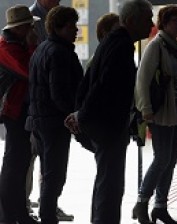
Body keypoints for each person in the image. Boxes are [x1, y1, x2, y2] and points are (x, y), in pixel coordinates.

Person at [64, 0, 154, 223]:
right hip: (109, 127)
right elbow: (102, 86)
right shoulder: (121, 45)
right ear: (132, 20)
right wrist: (82, 115)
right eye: (147, 18)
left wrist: (80, 113)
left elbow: (88, 83)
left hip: (105, 125)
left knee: (107, 182)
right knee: (111, 185)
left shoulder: (112, 42)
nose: (151, 24)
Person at [133, 5, 177, 224]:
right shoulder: (156, 46)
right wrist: (146, 109)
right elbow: (142, 80)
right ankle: (142, 202)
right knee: (162, 158)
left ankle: (160, 207)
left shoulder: (174, 48)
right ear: (167, 23)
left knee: (171, 160)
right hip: (161, 112)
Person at [27, 5, 83, 224]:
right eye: (72, 26)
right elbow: (59, 92)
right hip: (53, 123)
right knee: (55, 174)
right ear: (59, 27)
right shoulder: (59, 53)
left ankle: (47, 213)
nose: (76, 30)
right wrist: (74, 115)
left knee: (48, 172)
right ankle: (48, 216)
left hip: (39, 120)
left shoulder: (41, 49)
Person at [0, 5, 40, 224]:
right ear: (19, 28)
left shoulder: (16, 44)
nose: (32, 29)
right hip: (13, 112)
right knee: (13, 164)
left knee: (20, 162)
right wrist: (33, 45)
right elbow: (30, 71)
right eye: (29, 26)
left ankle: (19, 213)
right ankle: (7, 216)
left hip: (21, 110)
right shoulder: (7, 48)